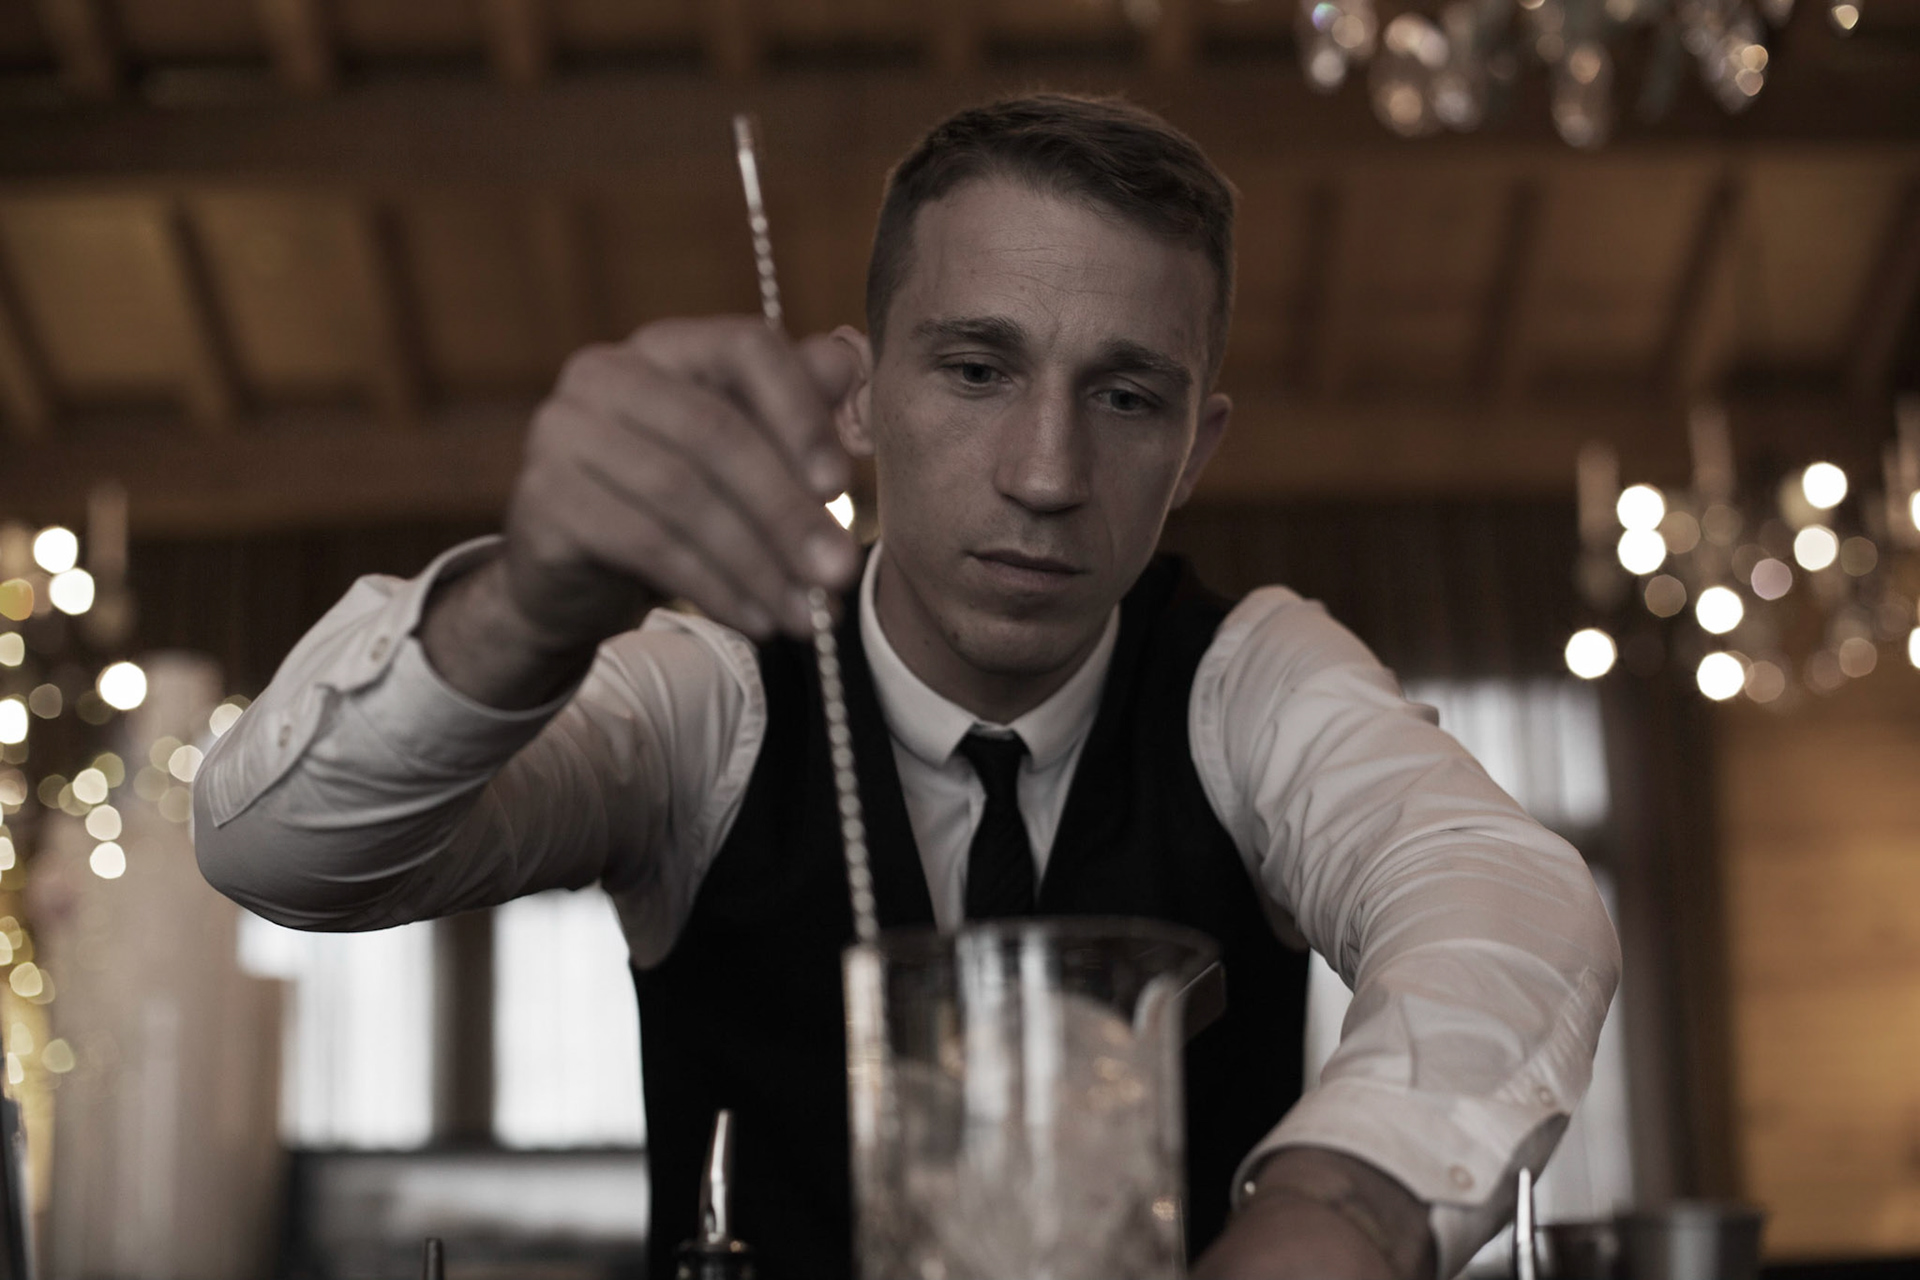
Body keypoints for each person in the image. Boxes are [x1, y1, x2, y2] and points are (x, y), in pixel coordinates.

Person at [194, 94, 1619, 1280]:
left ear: (1196, 447)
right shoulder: (715, 698)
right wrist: (528, 605)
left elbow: (1497, 894)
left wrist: (1346, 1205)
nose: (1046, 475)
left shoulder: (1247, 678)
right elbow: (277, 850)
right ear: (862, 397)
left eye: (1128, 397)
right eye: (978, 369)